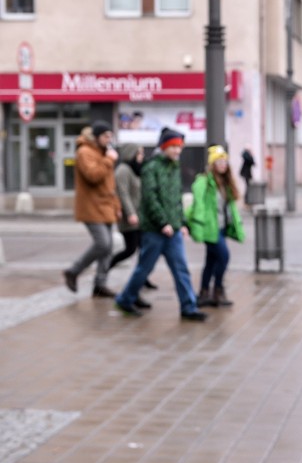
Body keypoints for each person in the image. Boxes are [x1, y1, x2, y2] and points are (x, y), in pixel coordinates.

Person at [114, 128, 207, 321]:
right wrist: (162, 222)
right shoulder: (151, 168)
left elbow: (176, 199)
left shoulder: (174, 167)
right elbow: (150, 198)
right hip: (154, 231)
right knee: (144, 269)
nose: (177, 151)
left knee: (181, 268)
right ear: (164, 147)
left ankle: (188, 307)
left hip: (172, 230)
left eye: (179, 147)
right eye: (173, 147)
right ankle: (125, 299)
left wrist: (182, 223)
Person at [62, 120, 121, 298]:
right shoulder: (84, 152)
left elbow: (110, 185)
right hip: (91, 207)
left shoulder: (102, 153)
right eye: (105, 136)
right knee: (102, 243)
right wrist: (109, 160)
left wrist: (117, 206)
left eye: (110, 136)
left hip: (106, 206)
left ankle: (100, 285)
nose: (109, 139)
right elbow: (93, 176)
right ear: (96, 137)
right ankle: (73, 270)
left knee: (108, 248)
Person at [187, 145, 246, 307]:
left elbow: (231, 208)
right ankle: (217, 290)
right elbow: (198, 205)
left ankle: (205, 293)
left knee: (211, 261)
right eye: (219, 161)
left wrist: (236, 225)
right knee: (224, 257)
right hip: (209, 228)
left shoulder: (226, 183)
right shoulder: (203, 181)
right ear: (212, 164)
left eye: (224, 161)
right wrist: (197, 226)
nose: (222, 165)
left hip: (221, 228)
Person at [107, 143, 157, 289]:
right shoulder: (123, 170)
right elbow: (123, 194)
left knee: (144, 248)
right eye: (139, 153)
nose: (141, 156)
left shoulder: (135, 170)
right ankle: (105, 268)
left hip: (139, 217)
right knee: (130, 249)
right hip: (129, 218)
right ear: (131, 154)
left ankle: (142, 277)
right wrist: (131, 213)